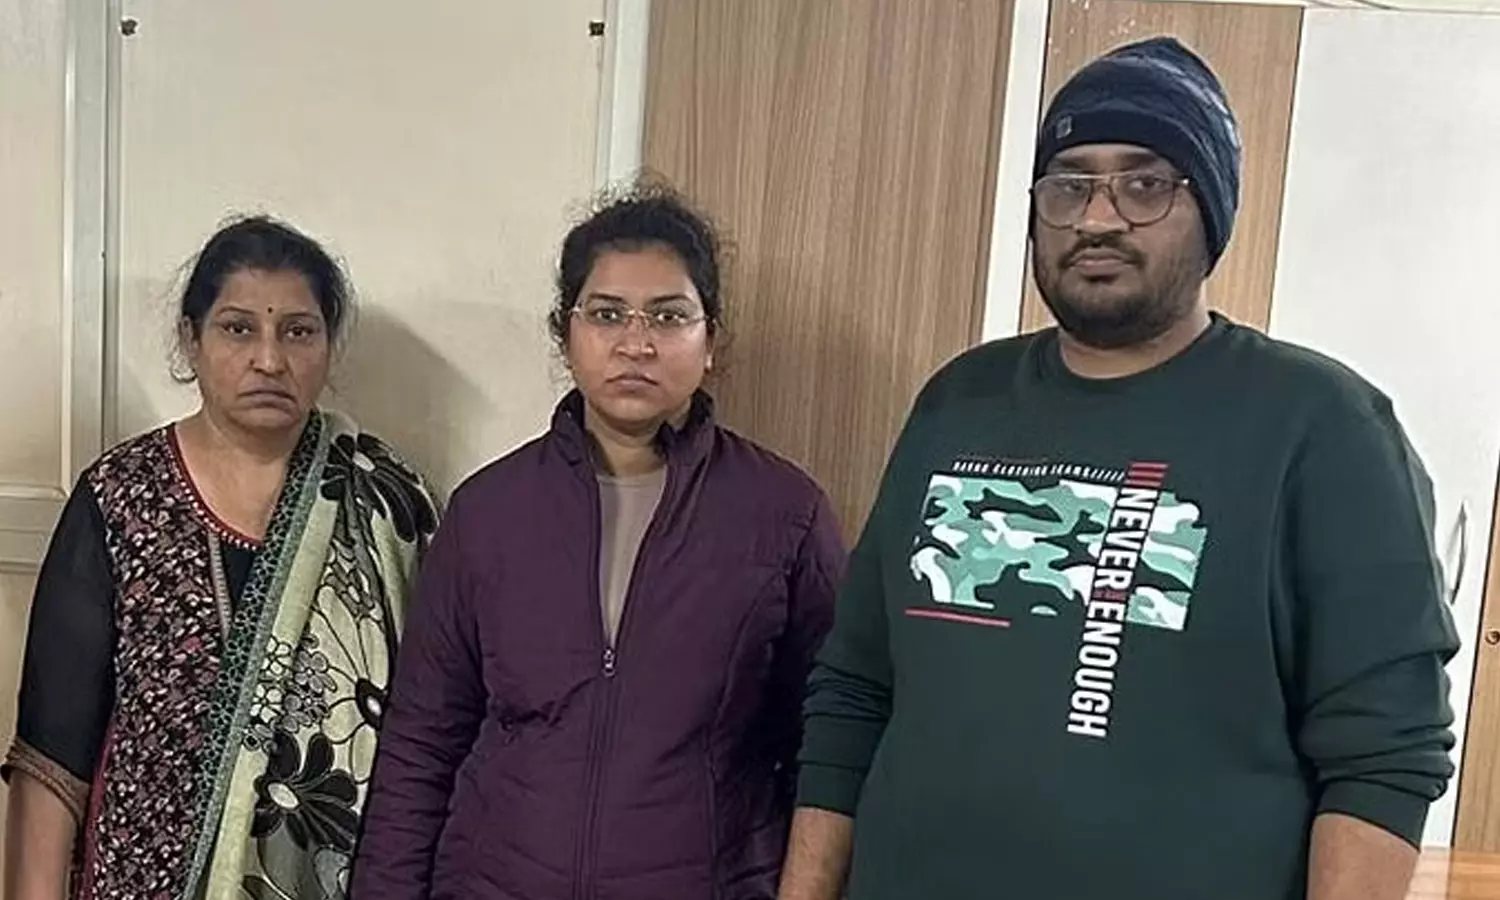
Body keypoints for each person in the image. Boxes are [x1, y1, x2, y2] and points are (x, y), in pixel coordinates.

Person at [777, 36, 1459, 900]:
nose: (1098, 219)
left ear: (1211, 210)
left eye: (1145, 185)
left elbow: (1383, 755)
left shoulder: (1323, 427)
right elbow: (853, 692)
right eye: (1069, 185)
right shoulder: (959, 401)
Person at [350, 184, 845, 900]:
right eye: (607, 314)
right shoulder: (489, 513)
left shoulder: (784, 514)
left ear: (711, 341)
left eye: (669, 316)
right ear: (566, 334)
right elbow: (423, 742)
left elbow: (827, 749)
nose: (635, 344)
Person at [2, 215, 438, 900]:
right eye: (238, 328)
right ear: (191, 339)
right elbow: (52, 756)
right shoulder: (123, 497)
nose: (269, 359)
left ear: (329, 346)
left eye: (299, 332)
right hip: (142, 882)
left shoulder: (386, 503)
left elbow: (432, 742)